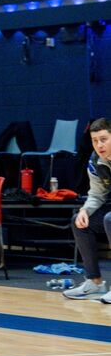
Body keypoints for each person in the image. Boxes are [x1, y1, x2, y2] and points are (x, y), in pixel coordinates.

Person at [63, 117, 111, 302]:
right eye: (94, 140)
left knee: (109, 219)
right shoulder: (94, 162)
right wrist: (85, 210)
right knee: (80, 222)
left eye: (103, 139)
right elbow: (97, 195)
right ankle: (95, 283)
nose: (99, 145)